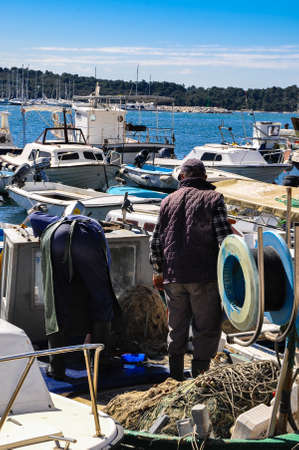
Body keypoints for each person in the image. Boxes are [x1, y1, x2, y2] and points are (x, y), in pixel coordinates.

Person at [149, 159, 232, 381]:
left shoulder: (167, 200)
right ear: (205, 178)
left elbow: (156, 240)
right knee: (206, 329)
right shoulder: (214, 198)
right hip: (203, 276)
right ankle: (199, 380)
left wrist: (158, 271)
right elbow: (225, 240)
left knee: (176, 329)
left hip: (173, 277)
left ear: (182, 177)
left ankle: (175, 378)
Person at [29, 209, 119, 380]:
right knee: (102, 299)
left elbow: (33, 216)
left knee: (54, 302)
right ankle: (100, 362)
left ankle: (57, 367)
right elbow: (106, 267)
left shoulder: (51, 223)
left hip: (54, 240)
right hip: (87, 239)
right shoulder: (93, 225)